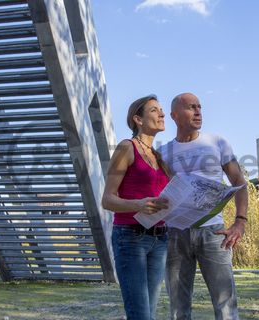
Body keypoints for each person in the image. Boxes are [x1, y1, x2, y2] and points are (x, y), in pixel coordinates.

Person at [159, 93, 249, 320]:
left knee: (226, 304)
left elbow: (239, 183)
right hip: (175, 234)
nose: (198, 112)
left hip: (213, 232)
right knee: (179, 309)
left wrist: (240, 222)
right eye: (191, 107)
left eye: (199, 107)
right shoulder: (162, 153)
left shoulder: (217, 142)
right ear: (174, 115)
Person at [102, 95, 170, 320]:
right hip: (130, 238)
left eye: (161, 110)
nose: (161, 114)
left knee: (148, 312)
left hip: (160, 238)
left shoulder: (159, 158)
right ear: (137, 119)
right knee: (140, 315)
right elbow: (107, 199)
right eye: (154, 110)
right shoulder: (126, 148)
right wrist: (139, 204)